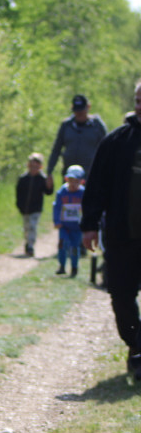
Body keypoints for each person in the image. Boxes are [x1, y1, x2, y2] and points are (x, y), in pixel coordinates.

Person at [81, 78, 141, 381]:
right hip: (122, 235)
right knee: (120, 295)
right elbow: (96, 187)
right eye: (140, 100)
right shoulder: (116, 141)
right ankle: (136, 345)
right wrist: (89, 225)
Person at [45, 94, 108, 192]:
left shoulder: (97, 125)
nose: (79, 114)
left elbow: (107, 150)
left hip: (90, 175)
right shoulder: (66, 125)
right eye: (76, 111)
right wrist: (49, 172)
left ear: (88, 107)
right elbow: (56, 149)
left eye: (81, 111)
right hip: (70, 176)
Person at [15, 152, 53, 257]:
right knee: (26, 227)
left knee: (32, 226)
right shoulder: (23, 179)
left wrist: (50, 185)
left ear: (40, 167)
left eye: (36, 166)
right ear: (28, 165)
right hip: (24, 208)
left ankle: (31, 245)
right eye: (32, 165)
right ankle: (27, 243)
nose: (34, 168)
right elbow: (18, 193)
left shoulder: (42, 179)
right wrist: (19, 205)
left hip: (36, 209)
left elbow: (48, 192)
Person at [52, 165, 86, 277]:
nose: (73, 184)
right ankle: (62, 266)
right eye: (71, 180)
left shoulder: (83, 194)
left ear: (82, 181)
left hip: (77, 227)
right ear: (66, 179)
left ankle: (74, 267)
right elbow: (57, 207)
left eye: (76, 181)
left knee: (74, 247)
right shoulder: (62, 192)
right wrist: (56, 221)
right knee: (62, 245)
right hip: (64, 226)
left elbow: (87, 209)